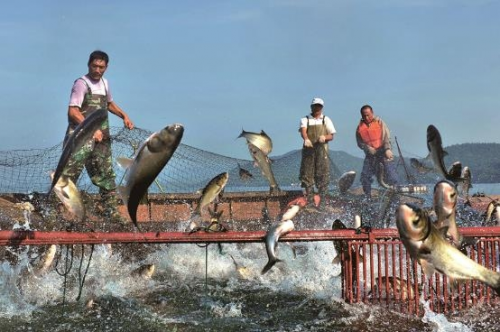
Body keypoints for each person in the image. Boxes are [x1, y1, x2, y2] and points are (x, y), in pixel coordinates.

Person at [62, 50, 134, 222]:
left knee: (106, 174)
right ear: (89, 65)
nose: (97, 70)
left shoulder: (104, 83)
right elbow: (73, 111)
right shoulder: (81, 83)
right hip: (80, 138)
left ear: (106, 67)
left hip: (101, 138)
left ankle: (111, 212)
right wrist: (91, 129)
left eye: (101, 67)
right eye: (94, 66)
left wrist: (124, 116)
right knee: (68, 175)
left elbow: (109, 104)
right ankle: (60, 211)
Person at [299, 97, 336, 211]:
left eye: (319, 106)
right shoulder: (305, 119)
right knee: (307, 176)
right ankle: (310, 203)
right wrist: (306, 139)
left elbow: (332, 135)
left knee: (323, 176)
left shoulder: (326, 119)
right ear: (311, 107)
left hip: (322, 151)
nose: (317, 108)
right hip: (308, 151)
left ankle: (323, 203)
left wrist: (325, 137)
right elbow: (303, 130)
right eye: (315, 106)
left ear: (322, 107)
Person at [355, 104, 398, 199]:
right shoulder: (359, 128)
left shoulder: (380, 122)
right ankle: (368, 197)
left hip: (383, 152)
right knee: (365, 177)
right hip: (371, 155)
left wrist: (387, 149)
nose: (366, 117)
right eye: (364, 115)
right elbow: (359, 143)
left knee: (392, 177)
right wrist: (367, 148)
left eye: (368, 115)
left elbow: (386, 136)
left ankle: (395, 198)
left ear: (372, 113)